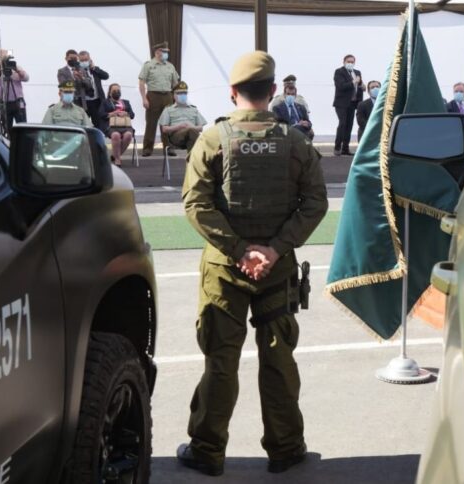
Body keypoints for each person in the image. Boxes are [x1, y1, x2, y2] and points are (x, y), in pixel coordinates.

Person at [176, 50, 327, 477]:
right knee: (278, 360)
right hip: (276, 270)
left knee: (221, 360)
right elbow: (315, 202)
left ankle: (207, 450)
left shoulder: (212, 139)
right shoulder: (295, 141)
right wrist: (274, 249)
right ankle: (286, 449)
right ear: (273, 91)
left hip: (224, 270)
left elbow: (196, 203)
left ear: (232, 91)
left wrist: (239, 250)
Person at [139, 41, 180, 157]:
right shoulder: (148, 65)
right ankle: (147, 149)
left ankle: (169, 148)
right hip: (153, 96)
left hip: (167, 96)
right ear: (157, 52)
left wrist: (176, 97)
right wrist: (144, 99)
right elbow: (141, 83)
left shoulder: (170, 66)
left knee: (167, 123)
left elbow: (175, 83)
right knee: (151, 123)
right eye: (165, 51)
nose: (167, 54)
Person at [0, 49, 29, 134]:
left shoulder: (15, 67)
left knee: (23, 128)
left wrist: (16, 69)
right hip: (4, 103)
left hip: (18, 101)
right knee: (6, 129)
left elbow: (26, 78)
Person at [158, 81, 206, 151]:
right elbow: (164, 129)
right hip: (176, 136)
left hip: (192, 135)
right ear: (174, 95)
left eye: (184, 93)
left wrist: (191, 127)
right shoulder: (168, 110)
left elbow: (201, 128)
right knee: (193, 133)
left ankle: (191, 158)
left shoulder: (193, 109)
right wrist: (179, 126)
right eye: (179, 93)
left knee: (192, 134)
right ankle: (193, 159)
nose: (182, 95)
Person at [332, 54, 364, 156]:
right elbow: (341, 86)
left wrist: (362, 86)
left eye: (352, 62)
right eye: (348, 61)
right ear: (344, 62)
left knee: (349, 125)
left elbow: (360, 85)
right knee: (343, 123)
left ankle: (345, 148)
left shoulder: (357, 73)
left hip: (353, 102)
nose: (350, 63)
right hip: (341, 103)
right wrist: (353, 82)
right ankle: (337, 147)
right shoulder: (339, 72)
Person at [99, 83, 135, 166]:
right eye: (114, 91)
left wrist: (126, 113)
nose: (116, 92)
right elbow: (101, 114)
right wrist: (112, 113)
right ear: (110, 92)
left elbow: (132, 115)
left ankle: (114, 156)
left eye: (118, 90)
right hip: (111, 126)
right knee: (116, 135)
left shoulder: (126, 102)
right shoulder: (105, 102)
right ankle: (118, 159)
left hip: (125, 125)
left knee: (128, 135)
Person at [77, 50, 110, 130]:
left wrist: (94, 68)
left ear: (90, 59)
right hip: (84, 102)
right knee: (84, 124)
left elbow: (106, 76)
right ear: (79, 61)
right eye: (82, 61)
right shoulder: (77, 71)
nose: (84, 62)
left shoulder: (95, 70)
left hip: (97, 101)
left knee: (98, 123)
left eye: (86, 60)